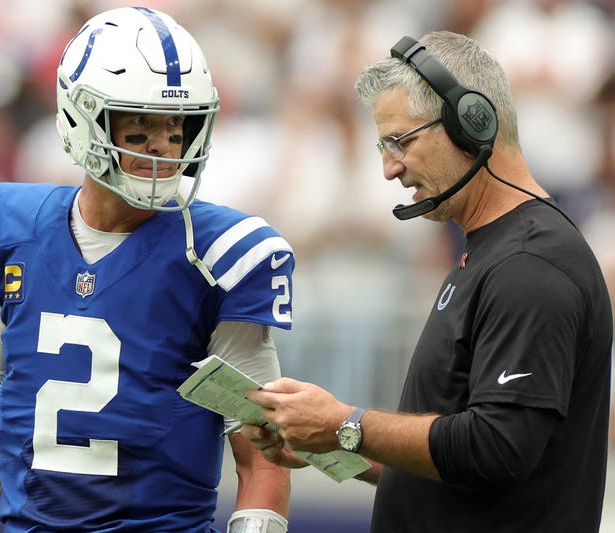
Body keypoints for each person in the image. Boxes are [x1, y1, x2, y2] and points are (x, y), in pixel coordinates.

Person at [0, 7, 293, 533]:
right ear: (82, 116)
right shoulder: (10, 232)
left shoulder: (217, 256)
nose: (163, 145)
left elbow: (261, 454)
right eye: (140, 122)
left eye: (177, 124)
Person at [241, 30, 612, 532]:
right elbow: (455, 464)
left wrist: (344, 423)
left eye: (401, 141)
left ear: (471, 123)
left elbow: (497, 449)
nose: (390, 169)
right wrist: (328, 443)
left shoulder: (531, 265)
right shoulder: (494, 250)